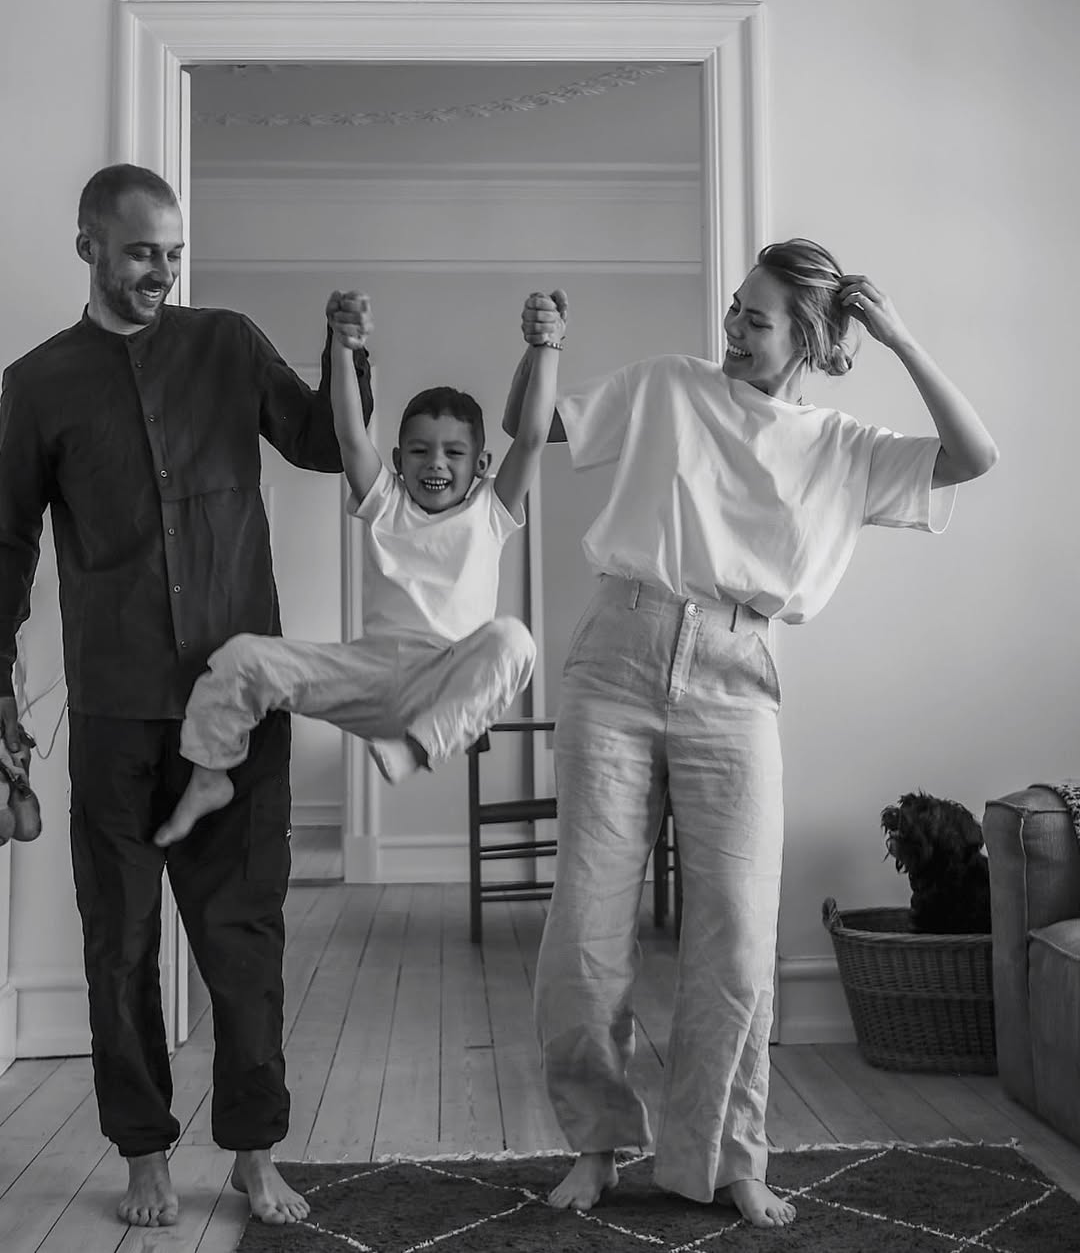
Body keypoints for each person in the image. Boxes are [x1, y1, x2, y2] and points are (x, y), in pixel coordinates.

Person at [503, 241, 999, 1229]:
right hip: (618, 658)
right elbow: (532, 424)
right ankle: (597, 1144)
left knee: (735, 940)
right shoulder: (667, 387)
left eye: (756, 318)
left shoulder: (843, 447)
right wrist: (540, 347)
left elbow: (974, 456)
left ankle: (726, 1159)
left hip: (737, 679)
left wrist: (898, 336)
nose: (732, 328)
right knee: (586, 928)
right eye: (734, 308)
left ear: (807, 337)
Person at [0, 163, 374, 1229]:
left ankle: (254, 1152)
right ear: (88, 246)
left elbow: (319, 442)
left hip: (239, 706)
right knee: (118, 945)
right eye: (139, 252)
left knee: (243, 937)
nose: (161, 270)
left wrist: (347, 352)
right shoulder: (37, 384)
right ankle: (144, 1156)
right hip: (115, 712)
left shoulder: (229, 344)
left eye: (172, 252)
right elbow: (6, 543)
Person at [151, 290, 562, 847]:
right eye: (419, 451)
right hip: (368, 675)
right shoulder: (387, 501)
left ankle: (417, 747)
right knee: (243, 656)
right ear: (398, 461)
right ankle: (209, 773)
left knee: (514, 641)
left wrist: (547, 346)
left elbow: (532, 437)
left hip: (446, 680)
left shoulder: (490, 510)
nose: (435, 463)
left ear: (481, 465)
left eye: (453, 453)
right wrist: (343, 347)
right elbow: (348, 433)